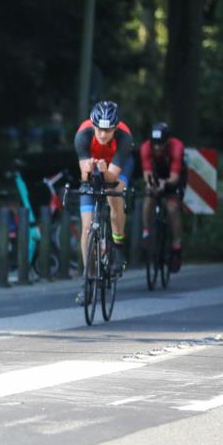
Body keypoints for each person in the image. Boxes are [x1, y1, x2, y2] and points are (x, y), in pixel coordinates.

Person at [73, 100, 134, 305]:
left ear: (115, 128)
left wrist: (104, 170)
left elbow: (112, 179)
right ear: (93, 125)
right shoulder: (83, 135)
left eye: (108, 131)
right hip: (94, 167)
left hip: (117, 167)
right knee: (87, 226)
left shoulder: (124, 137)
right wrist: (90, 170)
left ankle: (117, 245)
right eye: (99, 129)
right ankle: (87, 279)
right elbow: (84, 177)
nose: (102, 134)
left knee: (114, 193)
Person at [139, 122, 186, 272]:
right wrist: (151, 184)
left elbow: (175, 177)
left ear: (167, 141)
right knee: (148, 197)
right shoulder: (145, 148)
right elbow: (147, 174)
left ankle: (176, 246)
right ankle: (146, 232)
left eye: (161, 144)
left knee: (172, 208)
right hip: (156, 174)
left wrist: (165, 184)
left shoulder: (176, 147)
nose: (157, 147)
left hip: (173, 176)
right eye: (155, 144)